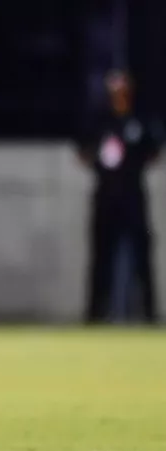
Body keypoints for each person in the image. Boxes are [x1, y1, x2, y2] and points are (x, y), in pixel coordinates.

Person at [77, 70, 163, 324]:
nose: (118, 95)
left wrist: (133, 164)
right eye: (114, 90)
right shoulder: (99, 121)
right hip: (105, 196)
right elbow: (82, 152)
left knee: (142, 254)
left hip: (134, 196)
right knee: (100, 256)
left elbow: (154, 152)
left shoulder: (141, 120)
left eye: (122, 90)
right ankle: (95, 313)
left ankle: (148, 312)